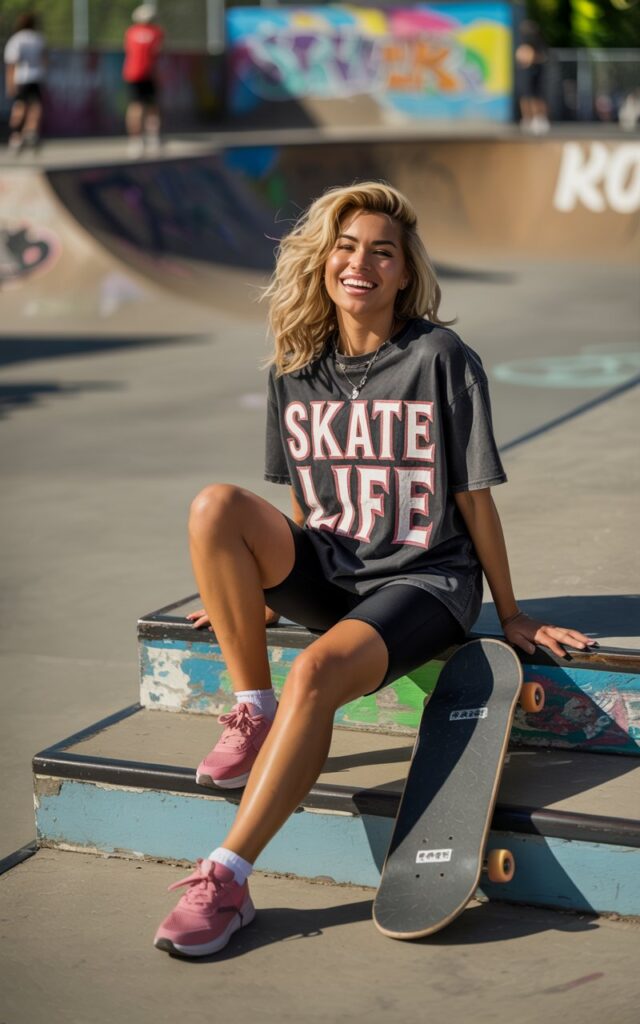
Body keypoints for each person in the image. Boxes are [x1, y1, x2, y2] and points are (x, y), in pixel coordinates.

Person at [153, 182, 596, 958]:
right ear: (325, 260)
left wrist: (513, 612)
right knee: (213, 506)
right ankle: (252, 709)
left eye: (381, 252)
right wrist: (253, 598)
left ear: (402, 273)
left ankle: (227, 874)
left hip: (426, 581)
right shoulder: (295, 365)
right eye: (347, 246)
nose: (361, 262)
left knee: (318, 671)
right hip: (336, 566)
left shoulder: (438, 358)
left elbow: (474, 497)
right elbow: (302, 500)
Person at [122, 4, 164, 158]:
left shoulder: (130, 32)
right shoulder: (157, 33)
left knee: (135, 107)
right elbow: (157, 53)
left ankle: (135, 141)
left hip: (132, 74)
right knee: (152, 107)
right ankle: (153, 139)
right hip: (148, 74)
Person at [3, 12, 46, 153]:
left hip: (21, 78)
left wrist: (9, 84)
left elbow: (11, 63)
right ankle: (30, 131)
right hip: (36, 77)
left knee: (19, 106)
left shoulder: (17, 39)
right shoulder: (38, 39)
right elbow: (44, 59)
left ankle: (16, 136)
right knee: (35, 106)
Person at [515, 20, 550, 135]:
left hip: (536, 73)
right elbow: (520, 56)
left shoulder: (538, 43)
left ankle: (539, 118)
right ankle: (527, 119)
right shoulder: (522, 43)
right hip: (525, 74)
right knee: (525, 96)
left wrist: (533, 59)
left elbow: (543, 56)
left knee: (537, 96)